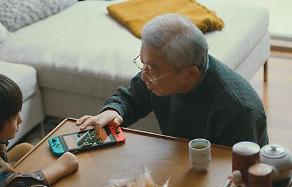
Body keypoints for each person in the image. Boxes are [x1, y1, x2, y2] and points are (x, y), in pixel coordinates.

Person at [77, 13, 268, 147]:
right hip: (180, 160)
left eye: (152, 69)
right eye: (142, 63)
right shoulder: (156, 77)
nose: (144, 75)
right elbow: (129, 98)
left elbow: (233, 176)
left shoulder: (239, 111)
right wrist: (114, 110)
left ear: (190, 73)